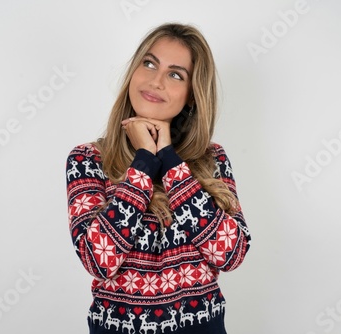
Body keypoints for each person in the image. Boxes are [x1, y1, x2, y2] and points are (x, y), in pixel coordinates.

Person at [66, 22, 251, 334]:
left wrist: (168, 157)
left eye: (175, 74)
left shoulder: (212, 160)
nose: (156, 81)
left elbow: (230, 254)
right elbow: (99, 261)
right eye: (149, 63)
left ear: (192, 96)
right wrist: (144, 163)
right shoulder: (87, 159)